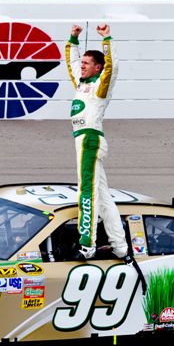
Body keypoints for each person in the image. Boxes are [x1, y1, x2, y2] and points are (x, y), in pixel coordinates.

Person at [65, 23, 127, 260]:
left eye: (87, 63)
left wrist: (107, 38)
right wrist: (73, 39)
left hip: (90, 141)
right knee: (104, 196)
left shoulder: (101, 86)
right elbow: (71, 64)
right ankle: (120, 246)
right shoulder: (82, 84)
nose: (81, 65)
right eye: (82, 63)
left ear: (97, 67)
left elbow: (114, 67)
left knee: (86, 192)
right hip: (82, 141)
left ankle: (86, 245)